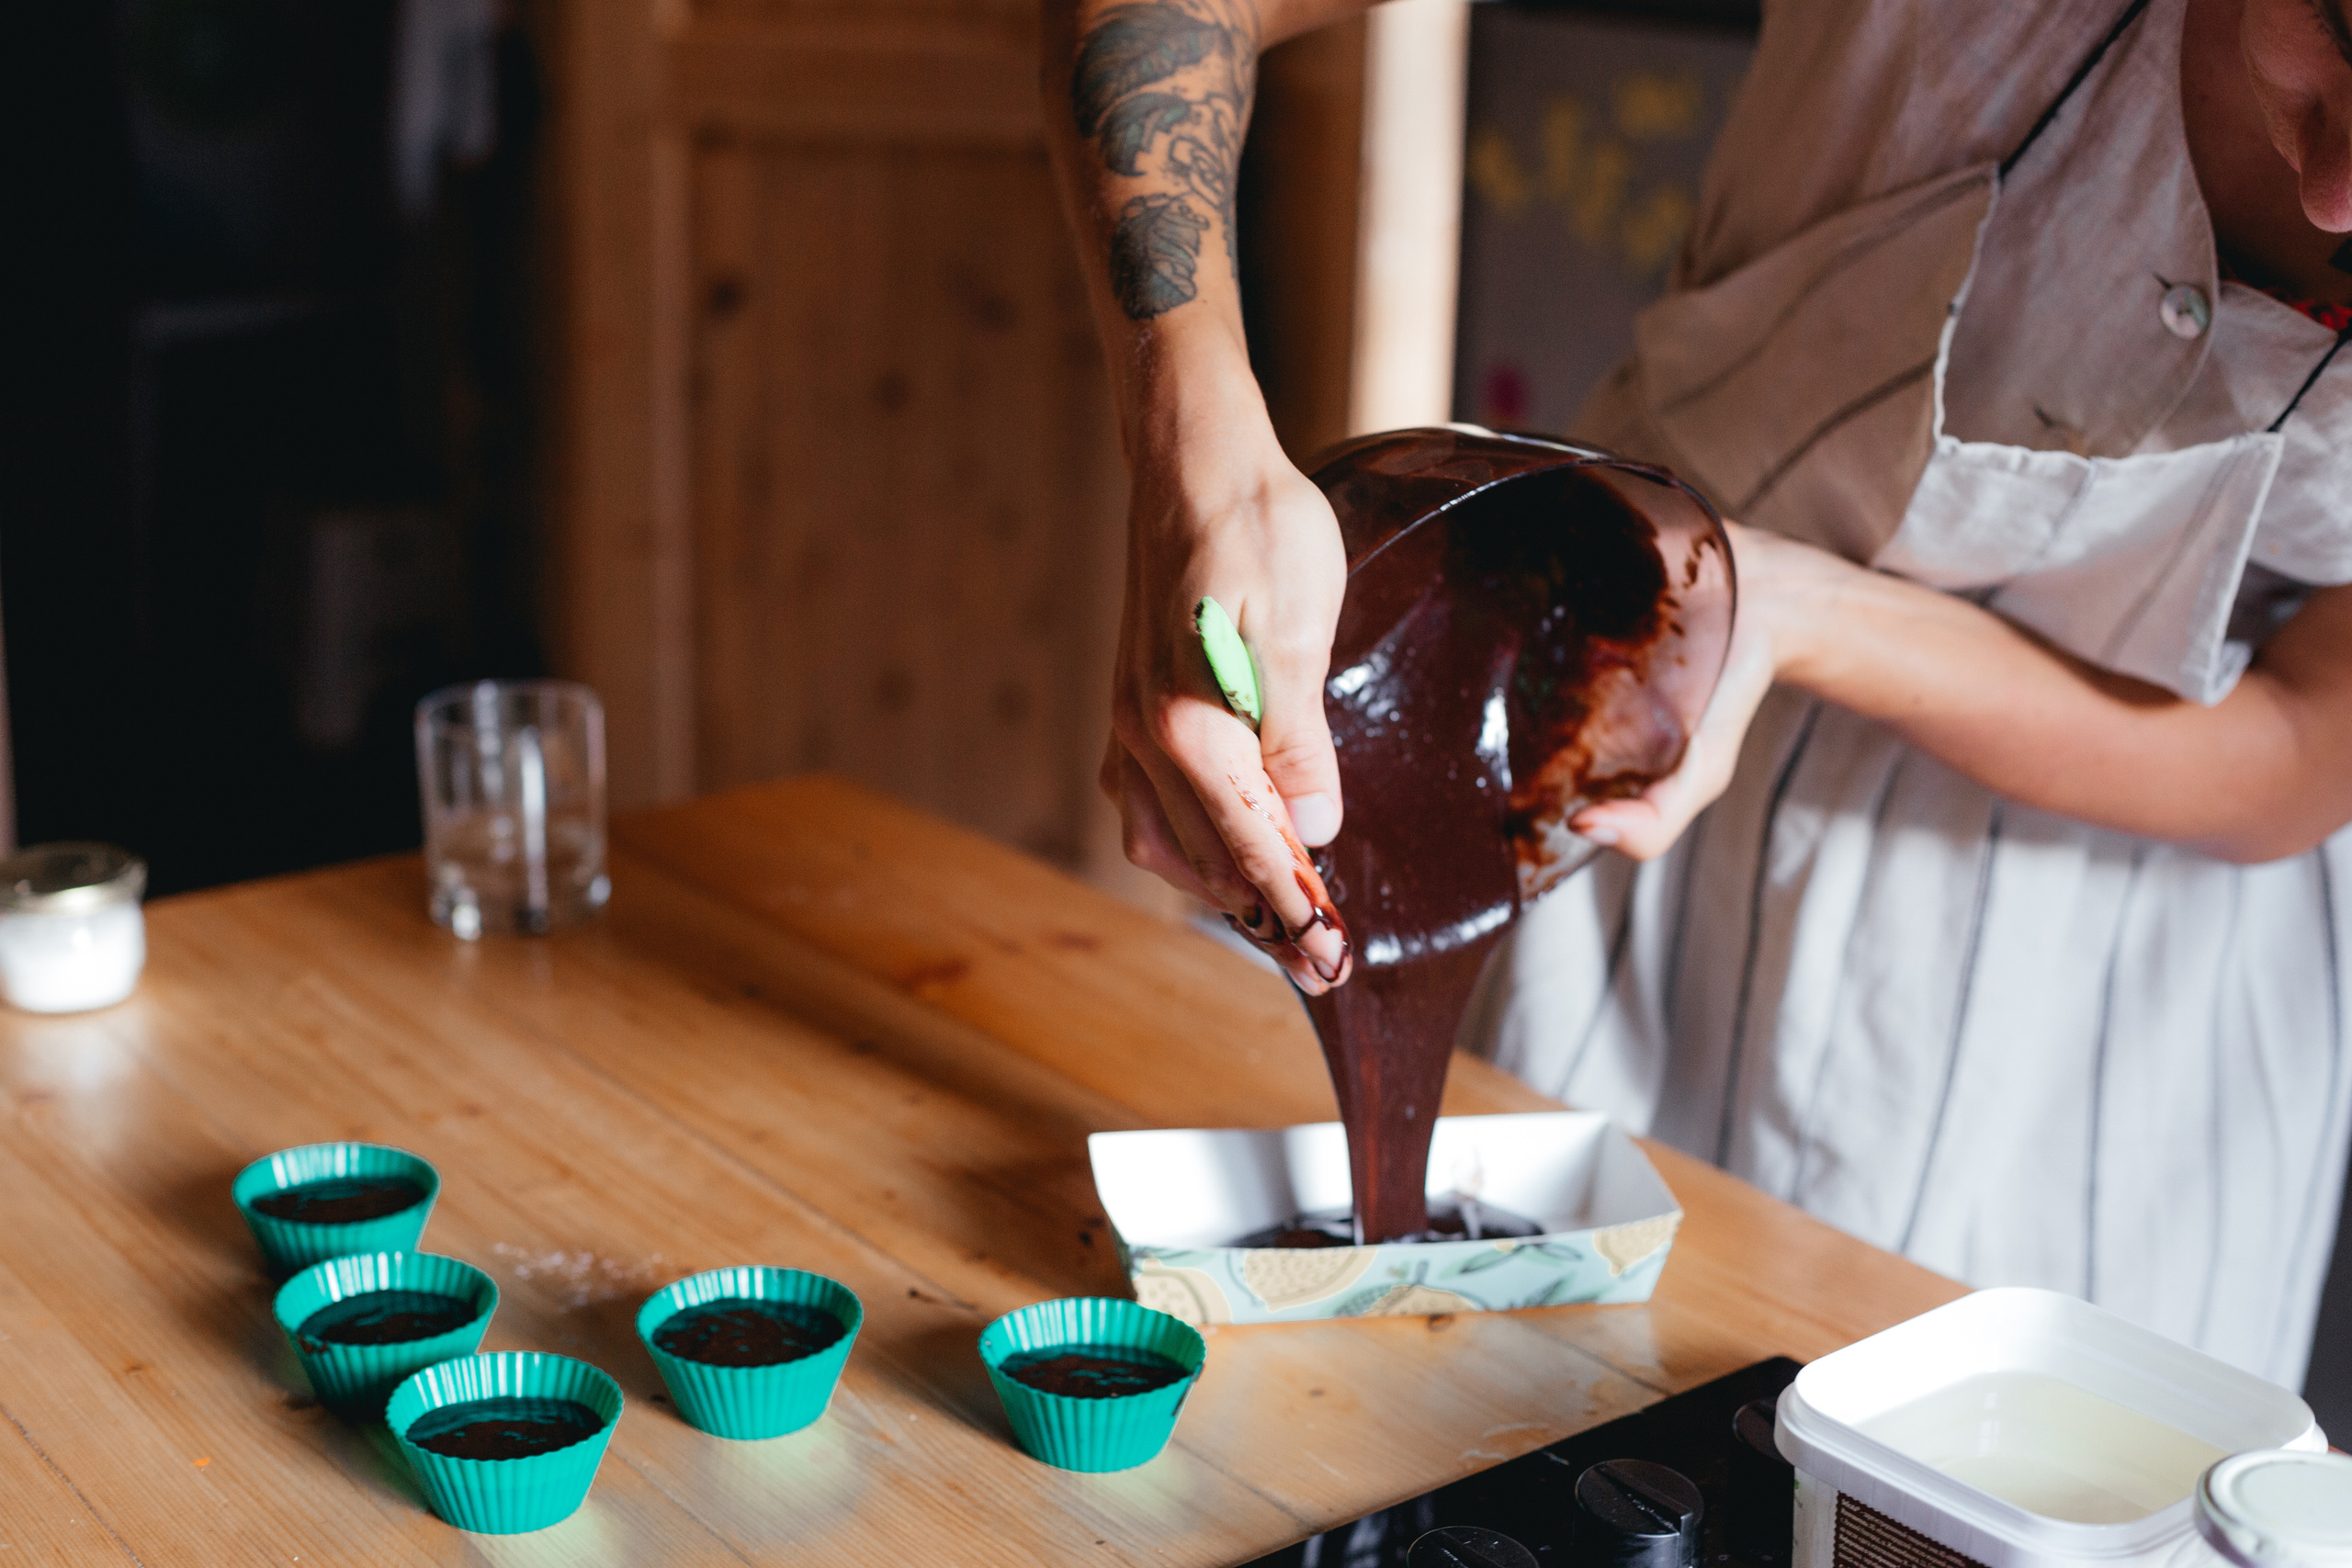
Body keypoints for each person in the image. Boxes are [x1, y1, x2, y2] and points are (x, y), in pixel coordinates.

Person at [1042, 0, 2352, 1385]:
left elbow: (2308, 743)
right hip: (1606, 790)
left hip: (2122, 1041)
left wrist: (1809, 613)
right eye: (2336, 32)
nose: (2338, 195)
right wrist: (1195, 437)